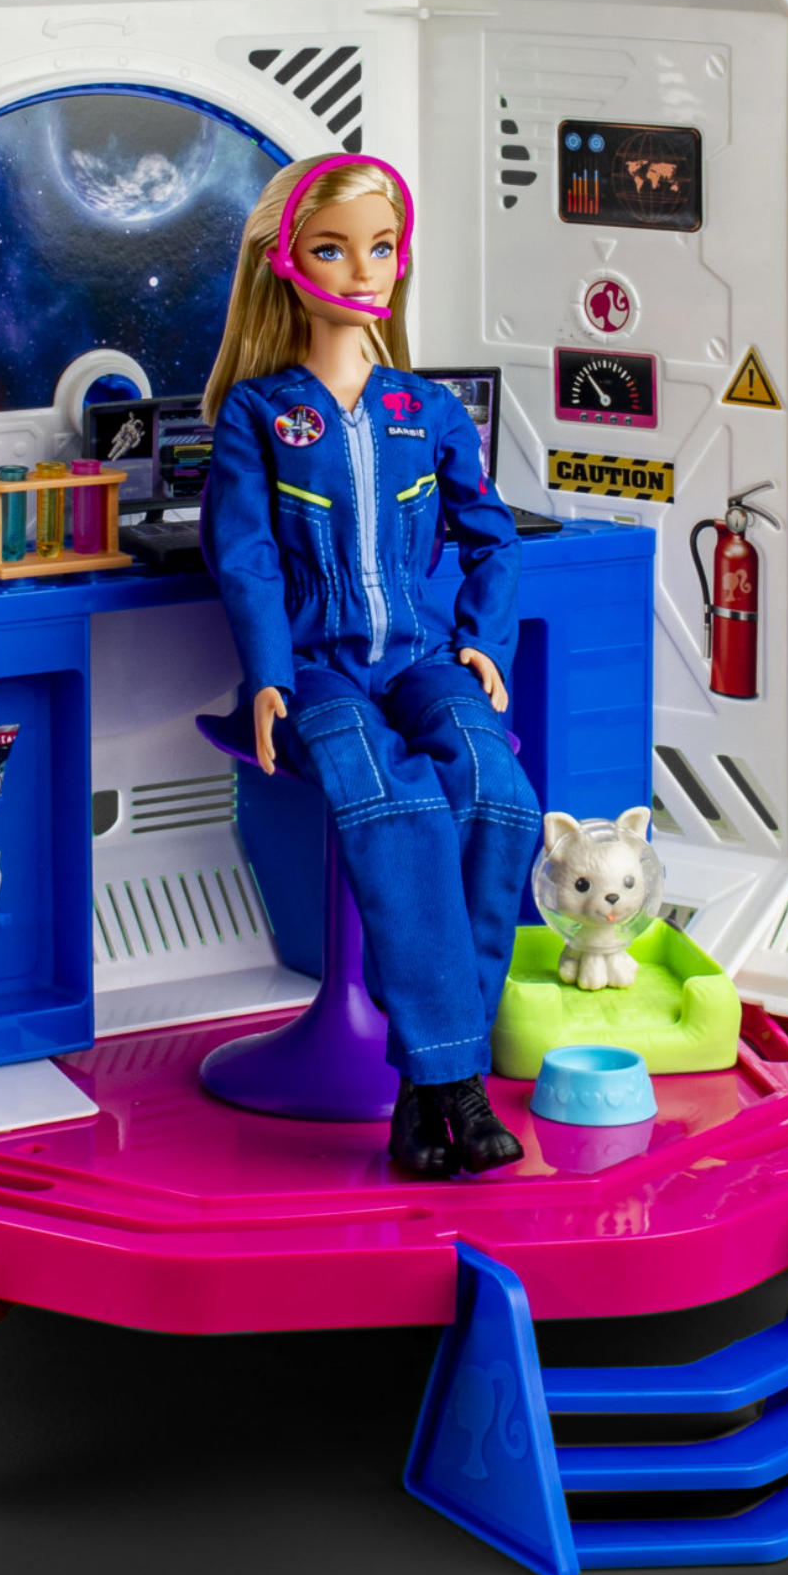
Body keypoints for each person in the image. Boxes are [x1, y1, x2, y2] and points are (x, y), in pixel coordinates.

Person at [199, 156, 537, 1177]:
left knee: (497, 791)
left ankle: (430, 1089)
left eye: (382, 247)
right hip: (316, 668)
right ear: (285, 262)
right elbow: (244, 555)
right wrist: (269, 673)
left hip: (424, 654)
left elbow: (493, 535)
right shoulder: (261, 414)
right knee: (395, 804)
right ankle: (453, 1088)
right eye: (333, 248)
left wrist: (484, 639)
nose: (363, 269)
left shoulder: (426, 409)